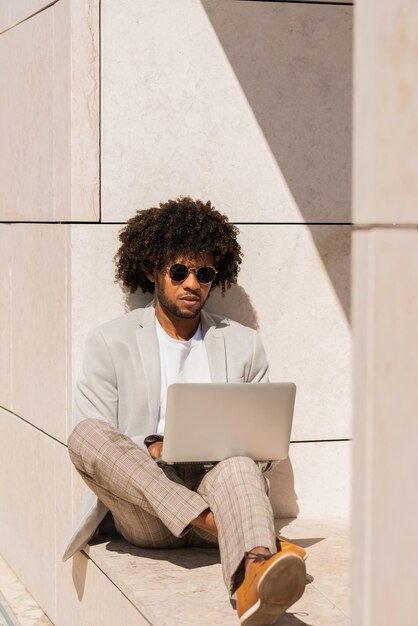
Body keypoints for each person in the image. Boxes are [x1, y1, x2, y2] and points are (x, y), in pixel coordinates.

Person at [63, 197, 307, 625]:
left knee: (238, 465)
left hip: (219, 484)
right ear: (153, 270)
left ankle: (253, 575)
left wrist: (229, 451)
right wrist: (155, 449)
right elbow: (103, 438)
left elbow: (266, 446)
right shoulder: (110, 342)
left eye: (204, 273)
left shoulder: (243, 343)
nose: (191, 283)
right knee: (85, 434)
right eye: (179, 271)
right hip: (148, 510)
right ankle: (238, 532)